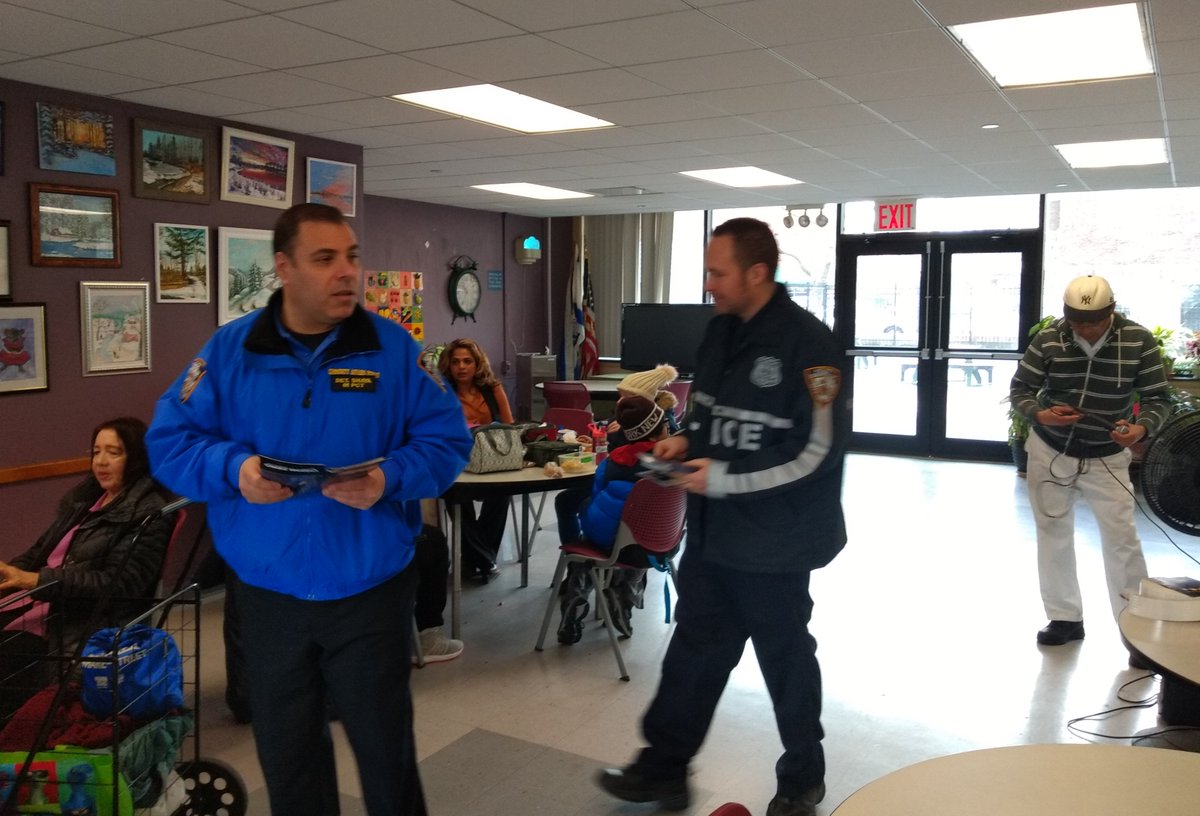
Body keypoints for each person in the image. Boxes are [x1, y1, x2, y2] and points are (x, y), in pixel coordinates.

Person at [146, 203, 472, 816]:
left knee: (387, 756)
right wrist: (234, 471)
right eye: (325, 259)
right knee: (289, 759)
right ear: (284, 267)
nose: (347, 272)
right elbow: (170, 442)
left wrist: (389, 478)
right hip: (268, 597)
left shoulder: (393, 350)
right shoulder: (230, 352)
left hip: (370, 593)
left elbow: (447, 442)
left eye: (352, 256)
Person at [595, 218, 850, 816]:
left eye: (718, 272)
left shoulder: (811, 347)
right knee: (694, 650)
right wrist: (684, 442)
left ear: (757, 273)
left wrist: (726, 477)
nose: (709, 283)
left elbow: (816, 453)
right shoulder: (718, 334)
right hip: (715, 535)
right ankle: (664, 768)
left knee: (784, 658)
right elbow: (708, 416)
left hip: (778, 540)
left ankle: (802, 780)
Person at [1008, 274, 1171, 651]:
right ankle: (1064, 617)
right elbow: (1021, 389)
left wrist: (1140, 428)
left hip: (1107, 454)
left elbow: (1158, 398)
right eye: (1076, 320)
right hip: (1051, 450)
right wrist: (1041, 414)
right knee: (1052, 532)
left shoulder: (1138, 340)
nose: (1085, 328)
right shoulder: (1049, 338)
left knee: (1122, 539)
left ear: (1112, 309)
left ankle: (1136, 631)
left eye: (1094, 321)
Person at [0, 417, 173, 723]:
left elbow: (117, 585)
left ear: (136, 459)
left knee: (8, 652)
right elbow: (39, 553)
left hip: (81, 621)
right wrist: (10, 572)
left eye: (113, 453)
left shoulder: (148, 514)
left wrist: (37, 580)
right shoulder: (84, 502)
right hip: (48, 603)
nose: (101, 462)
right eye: (96, 452)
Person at [555, 395, 671, 644]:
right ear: (656, 433)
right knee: (638, 535)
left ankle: (574, 604)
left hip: (611, 545)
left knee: (591, 539)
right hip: (657, 548)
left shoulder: (612, 462)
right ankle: (624, 596)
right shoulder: (674, 465)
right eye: (665, 425)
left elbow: (597, 500)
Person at [438, 338, 513, 582]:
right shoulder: (442, 393)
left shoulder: (493, 389)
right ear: (448, 365)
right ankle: (485, 559)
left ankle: (476, 559)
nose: (461, 367)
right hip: (455, 461)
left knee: (503, 494)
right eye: (456, 362)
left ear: (477, 364)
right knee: (454, 495)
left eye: (467, 361)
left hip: (491, 459)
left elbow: (509, 427)